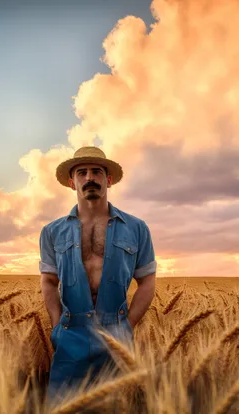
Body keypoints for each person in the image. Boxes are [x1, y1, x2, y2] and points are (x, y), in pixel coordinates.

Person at [38, 146, 157, 398]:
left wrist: (128, 325)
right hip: (70, 335)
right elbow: (49, 281)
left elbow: (147, 280)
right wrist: (57, 325)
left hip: (117, 336)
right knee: (62, 406)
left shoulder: (136, 228)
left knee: (116, 405)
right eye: (82, 173)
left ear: (108, 179)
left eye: (97, 172)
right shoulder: (52, 231)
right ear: (72, 183)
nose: (89, 178)